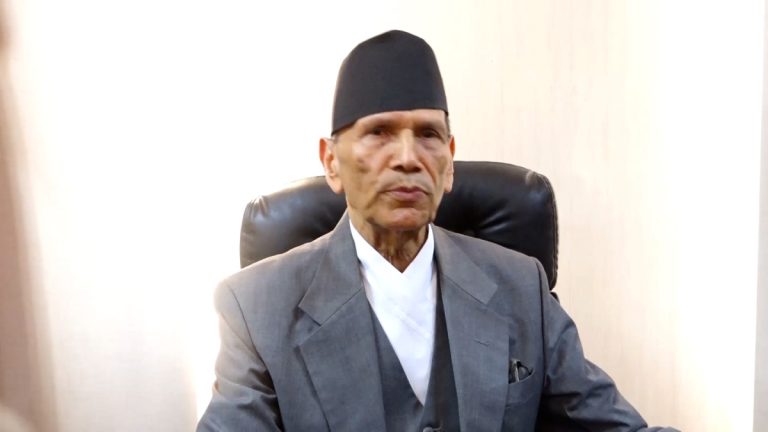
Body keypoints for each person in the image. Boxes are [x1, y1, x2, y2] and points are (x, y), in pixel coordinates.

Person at [197, 30, 677, 432]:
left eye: (428, 135)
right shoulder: (255, 308)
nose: (408, 158)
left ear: (449, 163)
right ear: (331, 162)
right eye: (379, 133)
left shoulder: (521, 288)